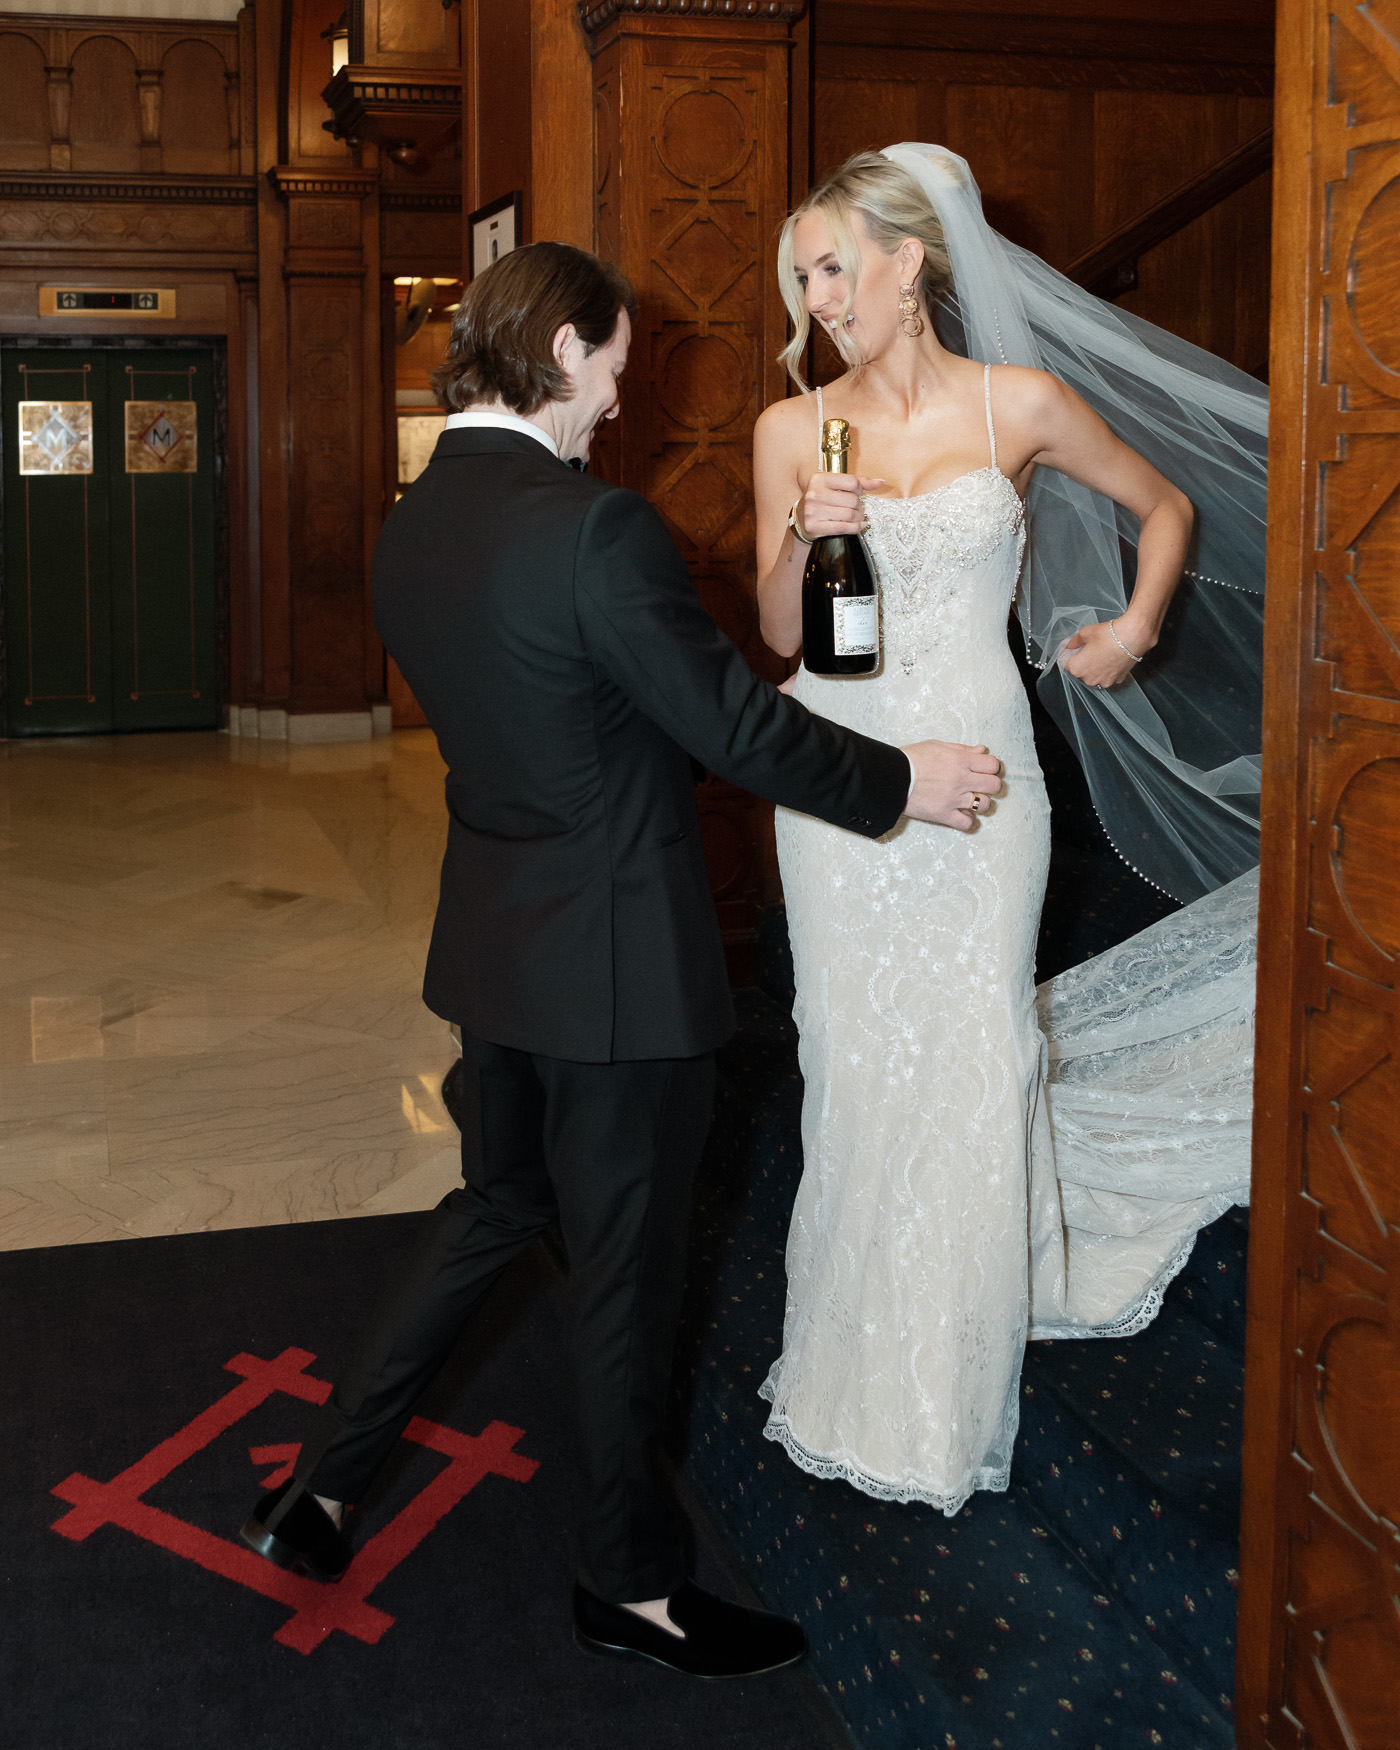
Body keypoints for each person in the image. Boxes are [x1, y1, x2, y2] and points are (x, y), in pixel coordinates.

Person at [239, 240, 1005, 1675]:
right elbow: (734, 723)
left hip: (496, 948)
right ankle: (632, 1586)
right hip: (618, 975)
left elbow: (567, 709)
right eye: (614, 366)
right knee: (625, 1275)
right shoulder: (598, 531)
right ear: (564, 349)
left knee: (493, 1207)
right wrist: (906, 779)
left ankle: (322, 1489)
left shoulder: (414, 522)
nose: (615, 397)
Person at [752, 147, 1265, 1510]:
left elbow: (1166, 506)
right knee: (852, 1055)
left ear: (909, 260)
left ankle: (952, 1364)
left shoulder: (1018, 404)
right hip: (842, 778)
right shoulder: (794, 429)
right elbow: (782, 632)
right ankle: (854, 1341)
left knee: (976, 1045)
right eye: (801, 279)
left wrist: (1133, 629)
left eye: (833, 268)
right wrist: (803, 533)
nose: (817, 301)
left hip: (986, 777)